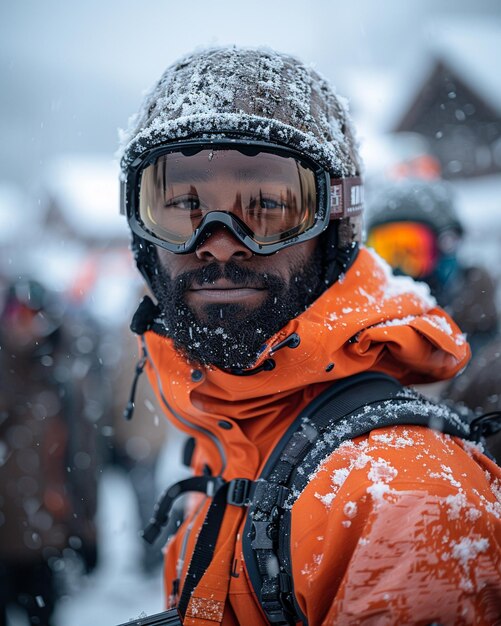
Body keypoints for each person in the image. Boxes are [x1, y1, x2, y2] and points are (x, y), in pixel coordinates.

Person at [118, 47, 501, 625]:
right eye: (182, 204)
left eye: (269, 206)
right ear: (143, 235)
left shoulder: (400, 496)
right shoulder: (228, 439)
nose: (219, 239)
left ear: (334, 228)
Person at [0, 278, 100, 626]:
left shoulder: (64, 380)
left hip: (44, 537)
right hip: (3, 533)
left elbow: (83, 459)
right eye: (17, 313)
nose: (23, 323)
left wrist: (88, 528)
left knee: (43, 616)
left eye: (32, 314)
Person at [366, 178, 498, 356]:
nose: (398, 269)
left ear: (447, 246)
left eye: (413, 251)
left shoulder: (487, 340)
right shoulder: (366, 337)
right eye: (387, 251)